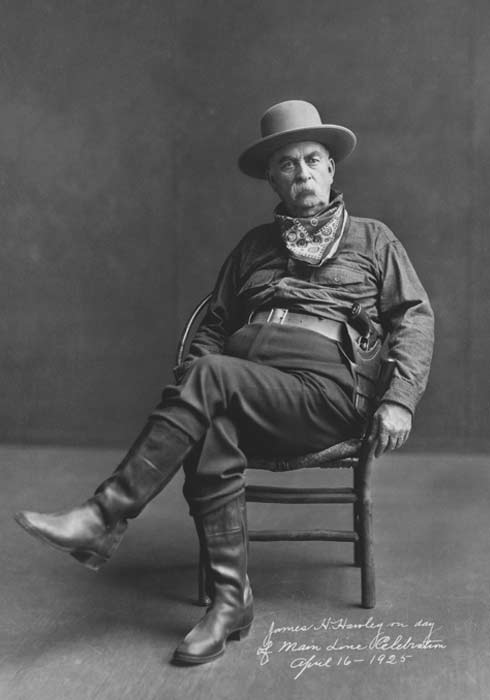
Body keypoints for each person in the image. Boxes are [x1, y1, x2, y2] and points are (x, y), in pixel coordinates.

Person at [14, 100, 434, 666]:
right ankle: (230, 603)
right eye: (287, 164)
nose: (302, 173)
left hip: (328, 394)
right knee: (210, 415)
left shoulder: (373, 239)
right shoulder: (254, 247)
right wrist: (195, 380)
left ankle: (103, 514)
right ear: (272, 177)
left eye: (313, 159)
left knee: (209, 382)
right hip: (248, 387)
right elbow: (212, 327)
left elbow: (414, 316)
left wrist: (400, 399)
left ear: (332, 168)